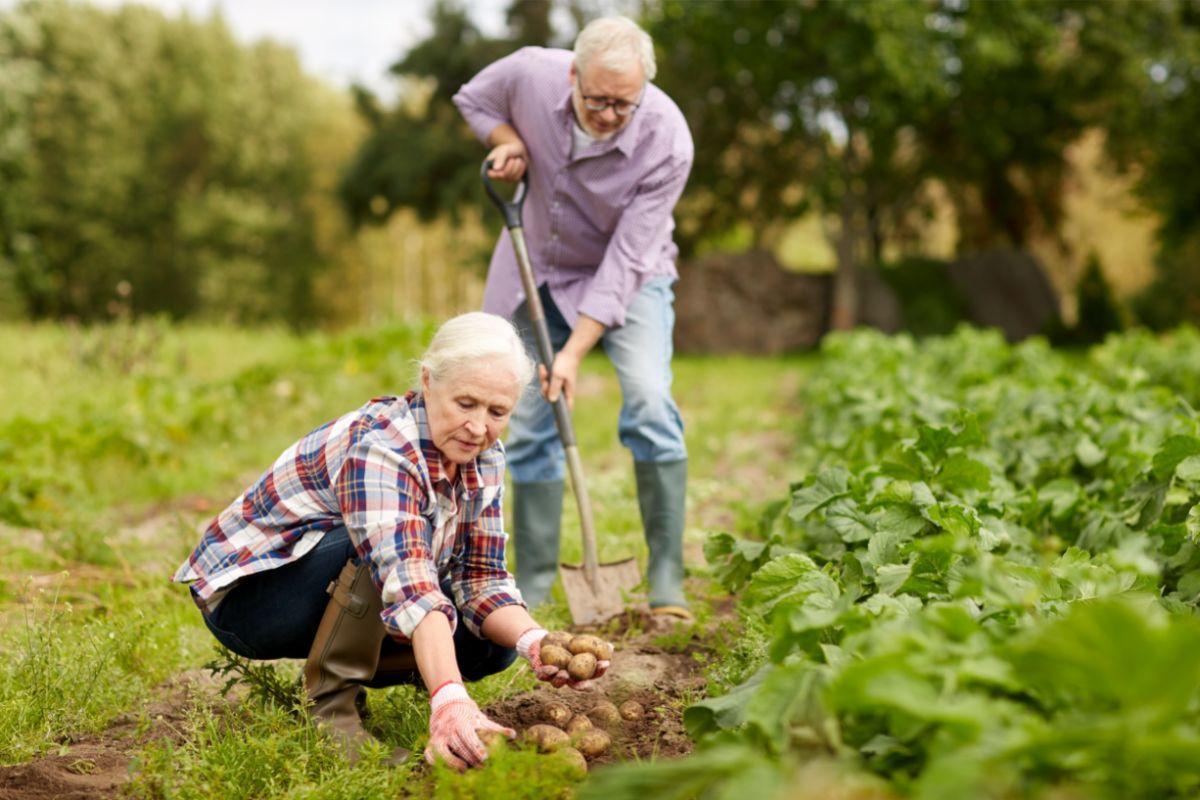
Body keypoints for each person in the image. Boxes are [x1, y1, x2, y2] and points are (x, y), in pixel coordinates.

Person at [172, 312, 610, 770]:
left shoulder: (484, 457)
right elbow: (409, 580)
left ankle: (378, 672)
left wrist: (535, 641)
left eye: (497, 412)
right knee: (374, 549)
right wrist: (449, 699)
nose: (479, 427)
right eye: (466, 403)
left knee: (494, 646)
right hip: (251, 601)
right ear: (427, 381)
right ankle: (328, 710)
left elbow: (481, 576)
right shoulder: (382, 446)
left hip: (338, 588)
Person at [452, 16, 694, 619]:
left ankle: (665, 573)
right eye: (597, 100)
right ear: (572, 75)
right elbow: (474, 98)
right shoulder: (532, 72)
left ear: (644, 90)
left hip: (629, 277)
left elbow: (627, 259)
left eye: (624, 103)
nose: (610, 114)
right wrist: (506, 140)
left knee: (648, 400)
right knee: (529, 416)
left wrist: (575, 350)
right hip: (537, 266)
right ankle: (530, 581)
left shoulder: (667, 138)